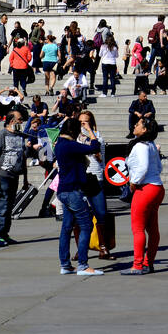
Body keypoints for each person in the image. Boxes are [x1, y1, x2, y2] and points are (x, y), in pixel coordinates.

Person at [52, 117, 104, 276]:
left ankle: (65, 264)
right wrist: (89, 130)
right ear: (74, 131)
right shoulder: (70, 145)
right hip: (73, 190)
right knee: (86, 225)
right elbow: (96, 146)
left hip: (63, 190)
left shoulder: (60, 144)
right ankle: (83, 264)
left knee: (66, 228)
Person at [121, 117, 165, 275]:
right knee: (152, 229)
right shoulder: (151, 145)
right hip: (157, 187)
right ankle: (148, 263)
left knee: (138, 229)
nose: (135, 125)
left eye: (138, 124)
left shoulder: (140, 146)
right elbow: (158, 167)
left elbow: (143, 167)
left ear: (145, 129)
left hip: (145, 188)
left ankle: (137, 265)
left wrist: (134, 181)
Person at [0, 106, 33, 247]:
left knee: (9, 207)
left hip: (15, 176)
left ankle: (4, 234)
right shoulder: (1, 134)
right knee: (2, 206)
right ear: (12, 120)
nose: (22, 122)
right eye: (19, 120)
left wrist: (25, 179)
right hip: (3, 175)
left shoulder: (20, 136)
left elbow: (23, 157)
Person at [78, 110, 112, 260]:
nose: (83, 125)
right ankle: (81, 249)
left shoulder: (98, 137)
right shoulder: (76, 138)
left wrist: (90, 133)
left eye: (85, 122)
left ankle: (103, 247)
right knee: (79, 215)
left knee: (101, 213)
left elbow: (99, 157)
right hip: (80, 178)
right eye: (80, 122)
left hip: (95, 177)